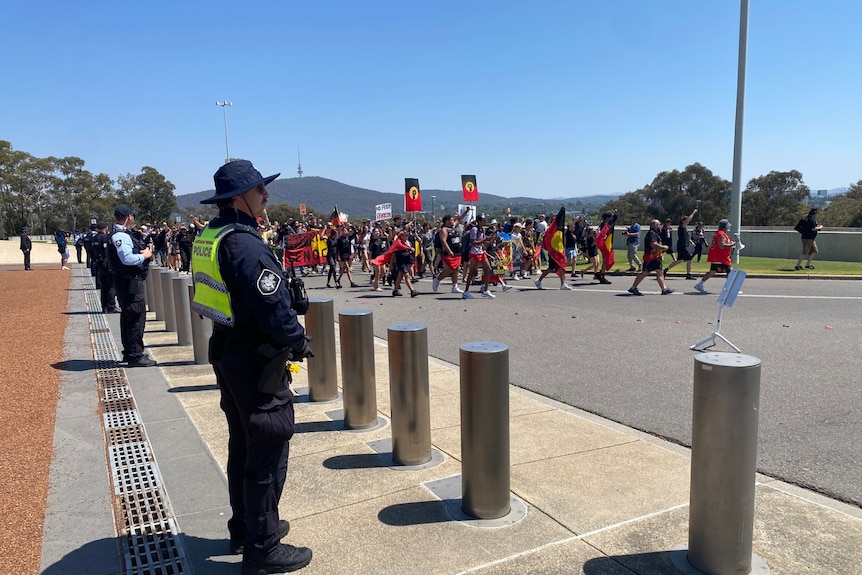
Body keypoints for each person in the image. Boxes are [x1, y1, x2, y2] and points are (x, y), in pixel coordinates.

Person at [190, 160, 313, 574]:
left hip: (227, 351)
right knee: (268, 444)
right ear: (242, 196)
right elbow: (274, 311)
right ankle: (262, 547)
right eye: (261, 190)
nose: (267, 195)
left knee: (242, 442)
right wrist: (298, 341)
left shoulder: (211, 234)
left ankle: (246, 525)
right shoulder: (245, 245)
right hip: (254, 359)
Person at [108, 204, 156, 367]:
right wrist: (145, 256)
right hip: (130, 281)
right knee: (135, 316)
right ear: (129, 217)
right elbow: (127, 259)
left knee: (129, 316)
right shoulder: (121, 236)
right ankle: (135, 354)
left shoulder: (118, 234)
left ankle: (130, 352)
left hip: (126, 280)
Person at [627, 219, 674, 296]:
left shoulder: (656, 233)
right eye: (659, 224)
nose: (660, 226)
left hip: (657, 257)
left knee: (660, 272)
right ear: (655, 225)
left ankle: (664, 289)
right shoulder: (651, 234)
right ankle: (633, 287)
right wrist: (663, 247)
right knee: (645, 272)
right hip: (650, 258)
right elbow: (653, 244)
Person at [432, 208, 470, 294]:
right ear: (447, 221)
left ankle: (454, 286)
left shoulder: (453, 227)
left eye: (453, 220)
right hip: (448, 253)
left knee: (456, 269)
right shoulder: (444, 230)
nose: (453, 221)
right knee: (448, 270)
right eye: (451, 220)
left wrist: (466, 212)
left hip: (457, 251)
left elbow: (459, 219)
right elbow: (443, 241)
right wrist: (449, 251)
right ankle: (437, 279)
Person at [694, 219, 736, 294]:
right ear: (724, 227)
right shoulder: (721, 234)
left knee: (712, 272)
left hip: (717, 257)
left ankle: (700, 284)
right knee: (729, 271)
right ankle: (729, 289)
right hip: (720, 258)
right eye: (727, 226)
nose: (728, 228)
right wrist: (732, 244)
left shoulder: (719, 233)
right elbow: (722, 246)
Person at [462, 214, 496, 298]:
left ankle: (485, 290)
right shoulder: (474, 229)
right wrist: (484, 240)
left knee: (488, 269)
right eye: (483, 220)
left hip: (481, 252)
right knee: (472, 272)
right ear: (479, 221)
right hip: (474, 253)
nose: (485, 221)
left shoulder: (482, 230)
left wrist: (490, 241)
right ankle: (466, 291)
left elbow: (483, 243)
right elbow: (473, 242)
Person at [93, 222, 120, 313]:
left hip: (98, 262)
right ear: (105, 228)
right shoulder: (104, 238)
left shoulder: (94, 238)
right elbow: (106, 251)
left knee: (104, 286)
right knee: (111, 286)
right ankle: (111, 306)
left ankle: (104, 306)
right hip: (106, 263)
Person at [664, 208, 698, 279]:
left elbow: (686, 237)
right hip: (682, 246)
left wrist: (691, 242)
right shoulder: (681, 227)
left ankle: (665, 270)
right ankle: (688, 275)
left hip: (682, 246)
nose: (687, 221)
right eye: (685, 220)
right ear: (683, 221)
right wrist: (693, 212)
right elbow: (689, 219)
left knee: (679, 260)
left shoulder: (684, 228)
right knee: (689, 259)